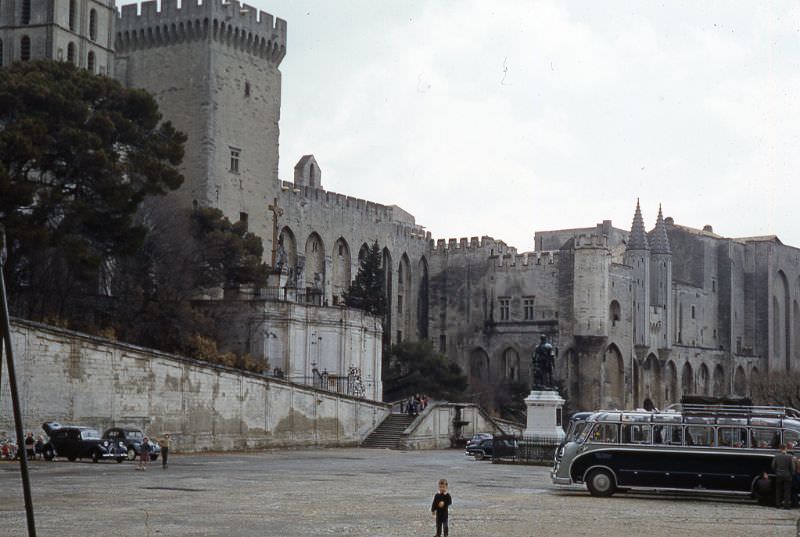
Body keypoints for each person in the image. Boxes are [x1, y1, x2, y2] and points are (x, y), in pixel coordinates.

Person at [772, 444, 795, 508]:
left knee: (778, 490)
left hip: (779, 475)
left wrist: (776, 472)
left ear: (780, 449)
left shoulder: (776, 456)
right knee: (787, 491)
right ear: (786, 448)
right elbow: (792, 467)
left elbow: (773, 466)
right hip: (787, 475)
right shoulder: (790, 457)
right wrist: (791, 474)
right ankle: (786, 505)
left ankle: (778, 504)